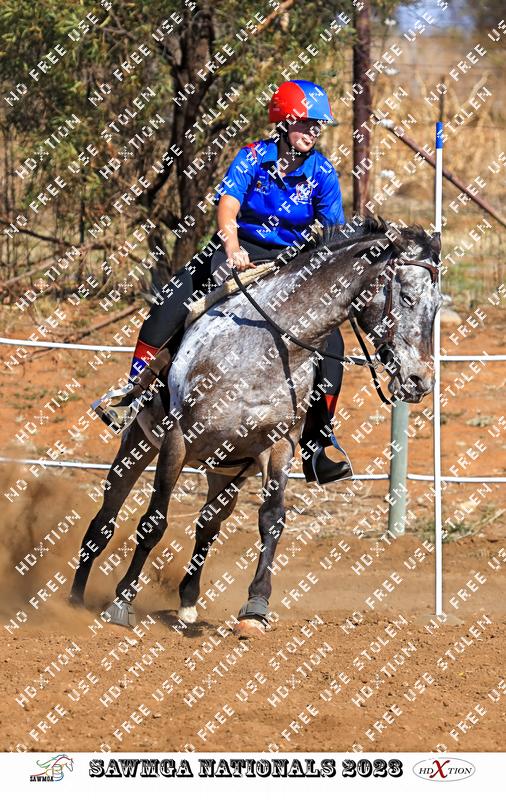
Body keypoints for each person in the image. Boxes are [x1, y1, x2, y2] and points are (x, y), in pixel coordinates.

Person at [93, 79, 352, 485]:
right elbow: (228, 208)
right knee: (166, 309)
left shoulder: (322, 172)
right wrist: (232, 248)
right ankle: (131, 396)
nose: (313, 132)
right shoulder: (252, 157)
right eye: (306, 123)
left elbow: (333, 232)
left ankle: (318, 445)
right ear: (284, 122)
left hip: (290, 266)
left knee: (333, 345)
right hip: (238, 250)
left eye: (318, 126)